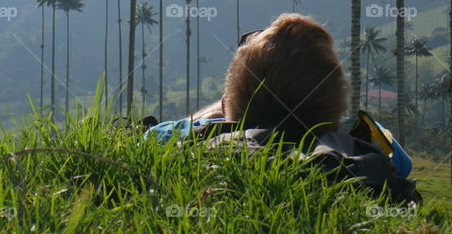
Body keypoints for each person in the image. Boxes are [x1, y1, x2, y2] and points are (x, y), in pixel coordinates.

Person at [146, 13, 417, 203]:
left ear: (228, 104)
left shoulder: (202, 134)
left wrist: (220, 111)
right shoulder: (360, 145)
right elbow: (401, 161)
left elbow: (154, 134)